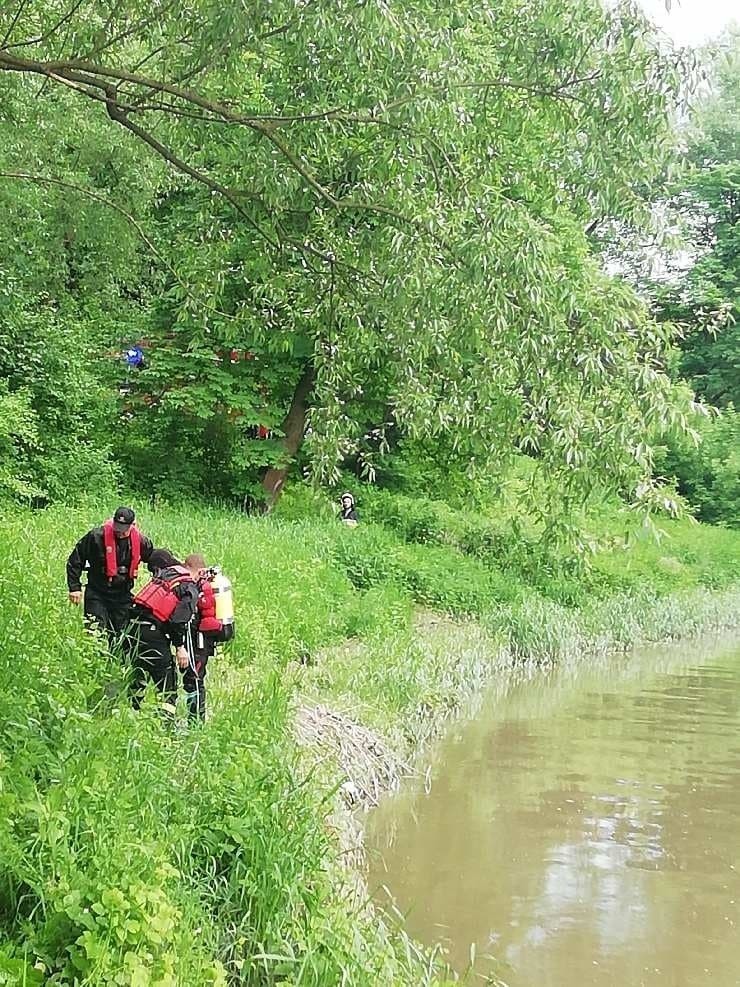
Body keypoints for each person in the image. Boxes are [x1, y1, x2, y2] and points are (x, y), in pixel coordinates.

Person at [124, 549, 199, 713]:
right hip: (153, 633)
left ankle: (130, 715)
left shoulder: (166, 574)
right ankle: (166, 729)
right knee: (167, 684)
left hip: (132, 628)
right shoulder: (189, 586)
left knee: (139, 673)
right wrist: (180, 648)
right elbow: (178, 620)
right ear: (198, 573)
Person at [66, 506, 154, 644]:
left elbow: (155, 560)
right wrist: (74, 588)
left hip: (122, 595)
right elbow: (75, 560)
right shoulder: (96, 536)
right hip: (97, 592)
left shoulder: (142, 542)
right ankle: (94, 662)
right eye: (117, 528)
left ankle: (115, 662)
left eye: (123, 530)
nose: (119, 533)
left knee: (120, 635)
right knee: (95, 632)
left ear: (133, 525)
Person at [180, 553, 226, 722]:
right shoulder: (203, 585)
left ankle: (196, 722)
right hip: (201, 640)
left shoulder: (201, 589)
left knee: (195, 679)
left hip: (199, 642)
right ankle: (195, 719)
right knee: (194, 678)